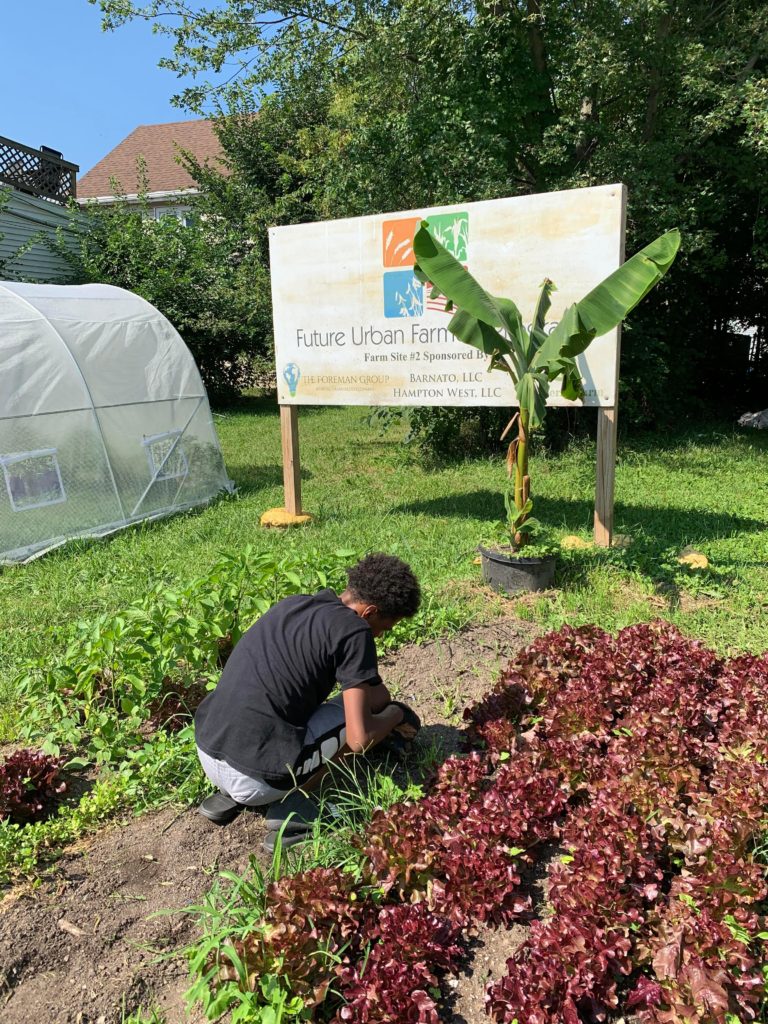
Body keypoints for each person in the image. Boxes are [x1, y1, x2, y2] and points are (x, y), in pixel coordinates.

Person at [194, 552, 422, 850]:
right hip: (257, 779)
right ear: (370, 612)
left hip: (209, 749)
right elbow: (359, 740)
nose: (378, 636)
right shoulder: (355, 632)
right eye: (383, 628)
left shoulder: (296, 604)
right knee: (354, 722)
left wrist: (378, 698)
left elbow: (375, 693)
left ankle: (233, 793)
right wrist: (394, 715)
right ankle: (298, 807)